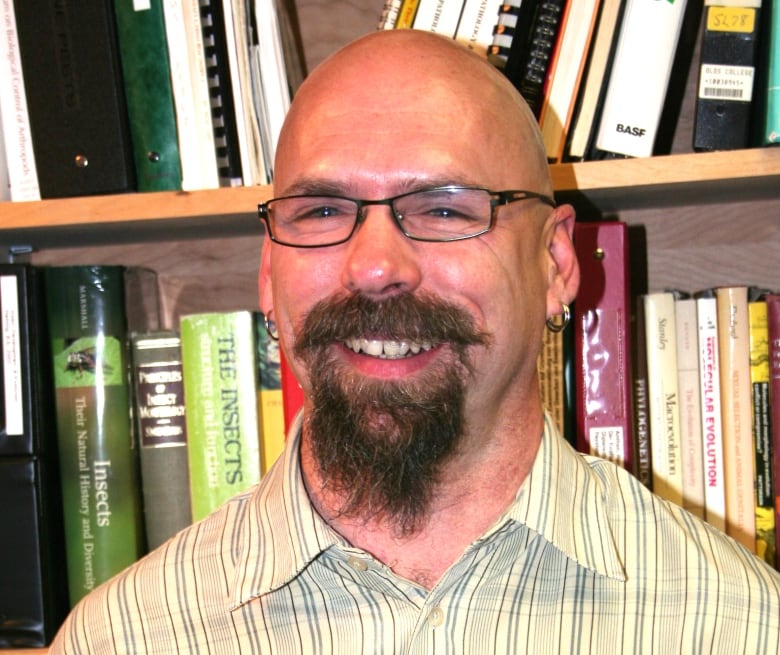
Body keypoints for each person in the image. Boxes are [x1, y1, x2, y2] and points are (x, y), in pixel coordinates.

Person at [50, 29, 780, 654]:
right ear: (269, 270)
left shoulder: (736, 626)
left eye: (442, 207)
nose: (374, 267)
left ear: (557, 263)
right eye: (323, 209)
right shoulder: (126, 636)